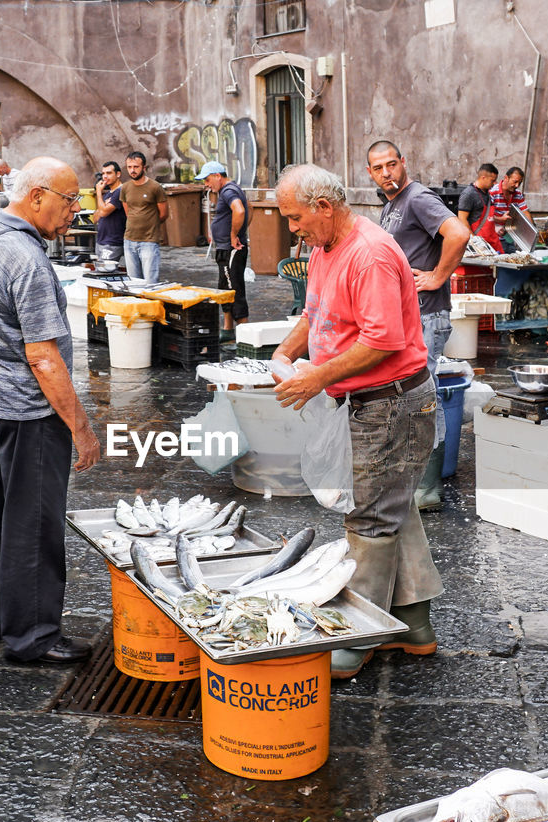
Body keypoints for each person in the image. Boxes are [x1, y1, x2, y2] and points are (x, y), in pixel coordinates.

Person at [271, 163, 443, 680]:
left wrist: (316, 377)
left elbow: (382, 340)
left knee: (369, 521)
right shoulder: (325, 249)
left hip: (391, 403)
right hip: (370, 401)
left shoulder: (367, 254)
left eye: (295, 217)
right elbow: (314, 314)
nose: (292, 228)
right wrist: (285, 351)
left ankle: (358, 637)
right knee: (392, 509)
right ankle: (415, 628)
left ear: (324, 207)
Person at [0, 156, 101, 663]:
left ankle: (5, 617)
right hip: (27, 408)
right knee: (34, 523)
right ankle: (34, 636)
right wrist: (81, 428)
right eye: (69, 202)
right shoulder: (24, 257)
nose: (74, 213)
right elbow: (42, 356)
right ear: (37, 195)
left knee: (3, 514)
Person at [366, 140, 470, 510]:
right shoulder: (392, 205)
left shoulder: (417, 197)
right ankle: (417, 481)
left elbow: (458, 234)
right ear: (370, 173)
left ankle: (428, 488)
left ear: (403, 162)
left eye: (391, 165)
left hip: (428, 314)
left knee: (422, 397)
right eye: (378, 169)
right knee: (413, 395)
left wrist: (439, 276)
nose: (386, 173)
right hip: (409, 316)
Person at [195, 160, 251, 343]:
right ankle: (228, 329)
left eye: (208, 179)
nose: (206, 184)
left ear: (218, 176)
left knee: (235, 291)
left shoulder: (228, 191)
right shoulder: (230, 190)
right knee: (224, 288)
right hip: (224, 249)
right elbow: (250, 208)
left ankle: (243, 337)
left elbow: (240, 210)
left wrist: (235, 235)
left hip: (231, 249)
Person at [120, 151, 168, 283]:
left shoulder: (155, 187)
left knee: (150, 282)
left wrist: (149, 225)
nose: (132, 170)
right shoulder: (125, 188)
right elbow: (128, 212)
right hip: (129, 240)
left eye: (136, 167)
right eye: (129, 167)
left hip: (149, 241)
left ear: (144, 168)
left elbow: (163, 214)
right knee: (134, 282)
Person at [457, 162, 502, 253]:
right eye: (492, 180)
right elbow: (462, 219)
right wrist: (475, 241)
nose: (495, 183)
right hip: (479, 246)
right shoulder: (468, 194)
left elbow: (489, 218)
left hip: (492, 242)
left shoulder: (488, 194)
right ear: (483, 178)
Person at [489, 166, 531, 251]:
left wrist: (531, 231)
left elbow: (526, 213)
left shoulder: (518, 194)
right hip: (494, 239)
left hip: (511, 238)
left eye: (520, 183)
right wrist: (501, 219)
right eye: (515, 182)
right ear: (506, 178)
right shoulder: (492, 192)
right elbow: (487, 217)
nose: (517, 185)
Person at [91, 160, 124, 264]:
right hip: (101, 241)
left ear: (118, 174)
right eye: (103, 173)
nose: (105, 176)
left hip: (112, 242)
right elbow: (95, 218)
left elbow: (103, 212)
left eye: (109, 173)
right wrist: (102, 207)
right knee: (100, 272)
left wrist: (99, 192)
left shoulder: (120, 191)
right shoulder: (108, 194)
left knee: (105, 271)